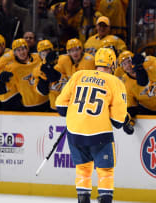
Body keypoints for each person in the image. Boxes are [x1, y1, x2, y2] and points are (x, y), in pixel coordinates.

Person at [55, 48, 129, 203]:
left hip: (75, 132)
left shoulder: (78, 75)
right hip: (99, 134)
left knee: (83, 169)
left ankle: (83, 199)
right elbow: (118, 122)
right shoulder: (115, 82)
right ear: (113, 64)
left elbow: (61, 107)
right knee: (105, 171)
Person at [0, 38, 49, 112]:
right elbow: (2, 90)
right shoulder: (12, 68)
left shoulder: (38, 57)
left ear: (27, 49)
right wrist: (0, 82)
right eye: (18, 50)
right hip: (28, 106)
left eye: (23, 49)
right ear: (14, 53)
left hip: (46, 101)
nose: (21, 52)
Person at [119, 51, 156, 133]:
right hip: (146, 111)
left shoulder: (149, 63)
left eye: (129, 61)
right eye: (124, 64)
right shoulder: (125, 83)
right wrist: (129, 122)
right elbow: (131, 106)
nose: (128, 66)